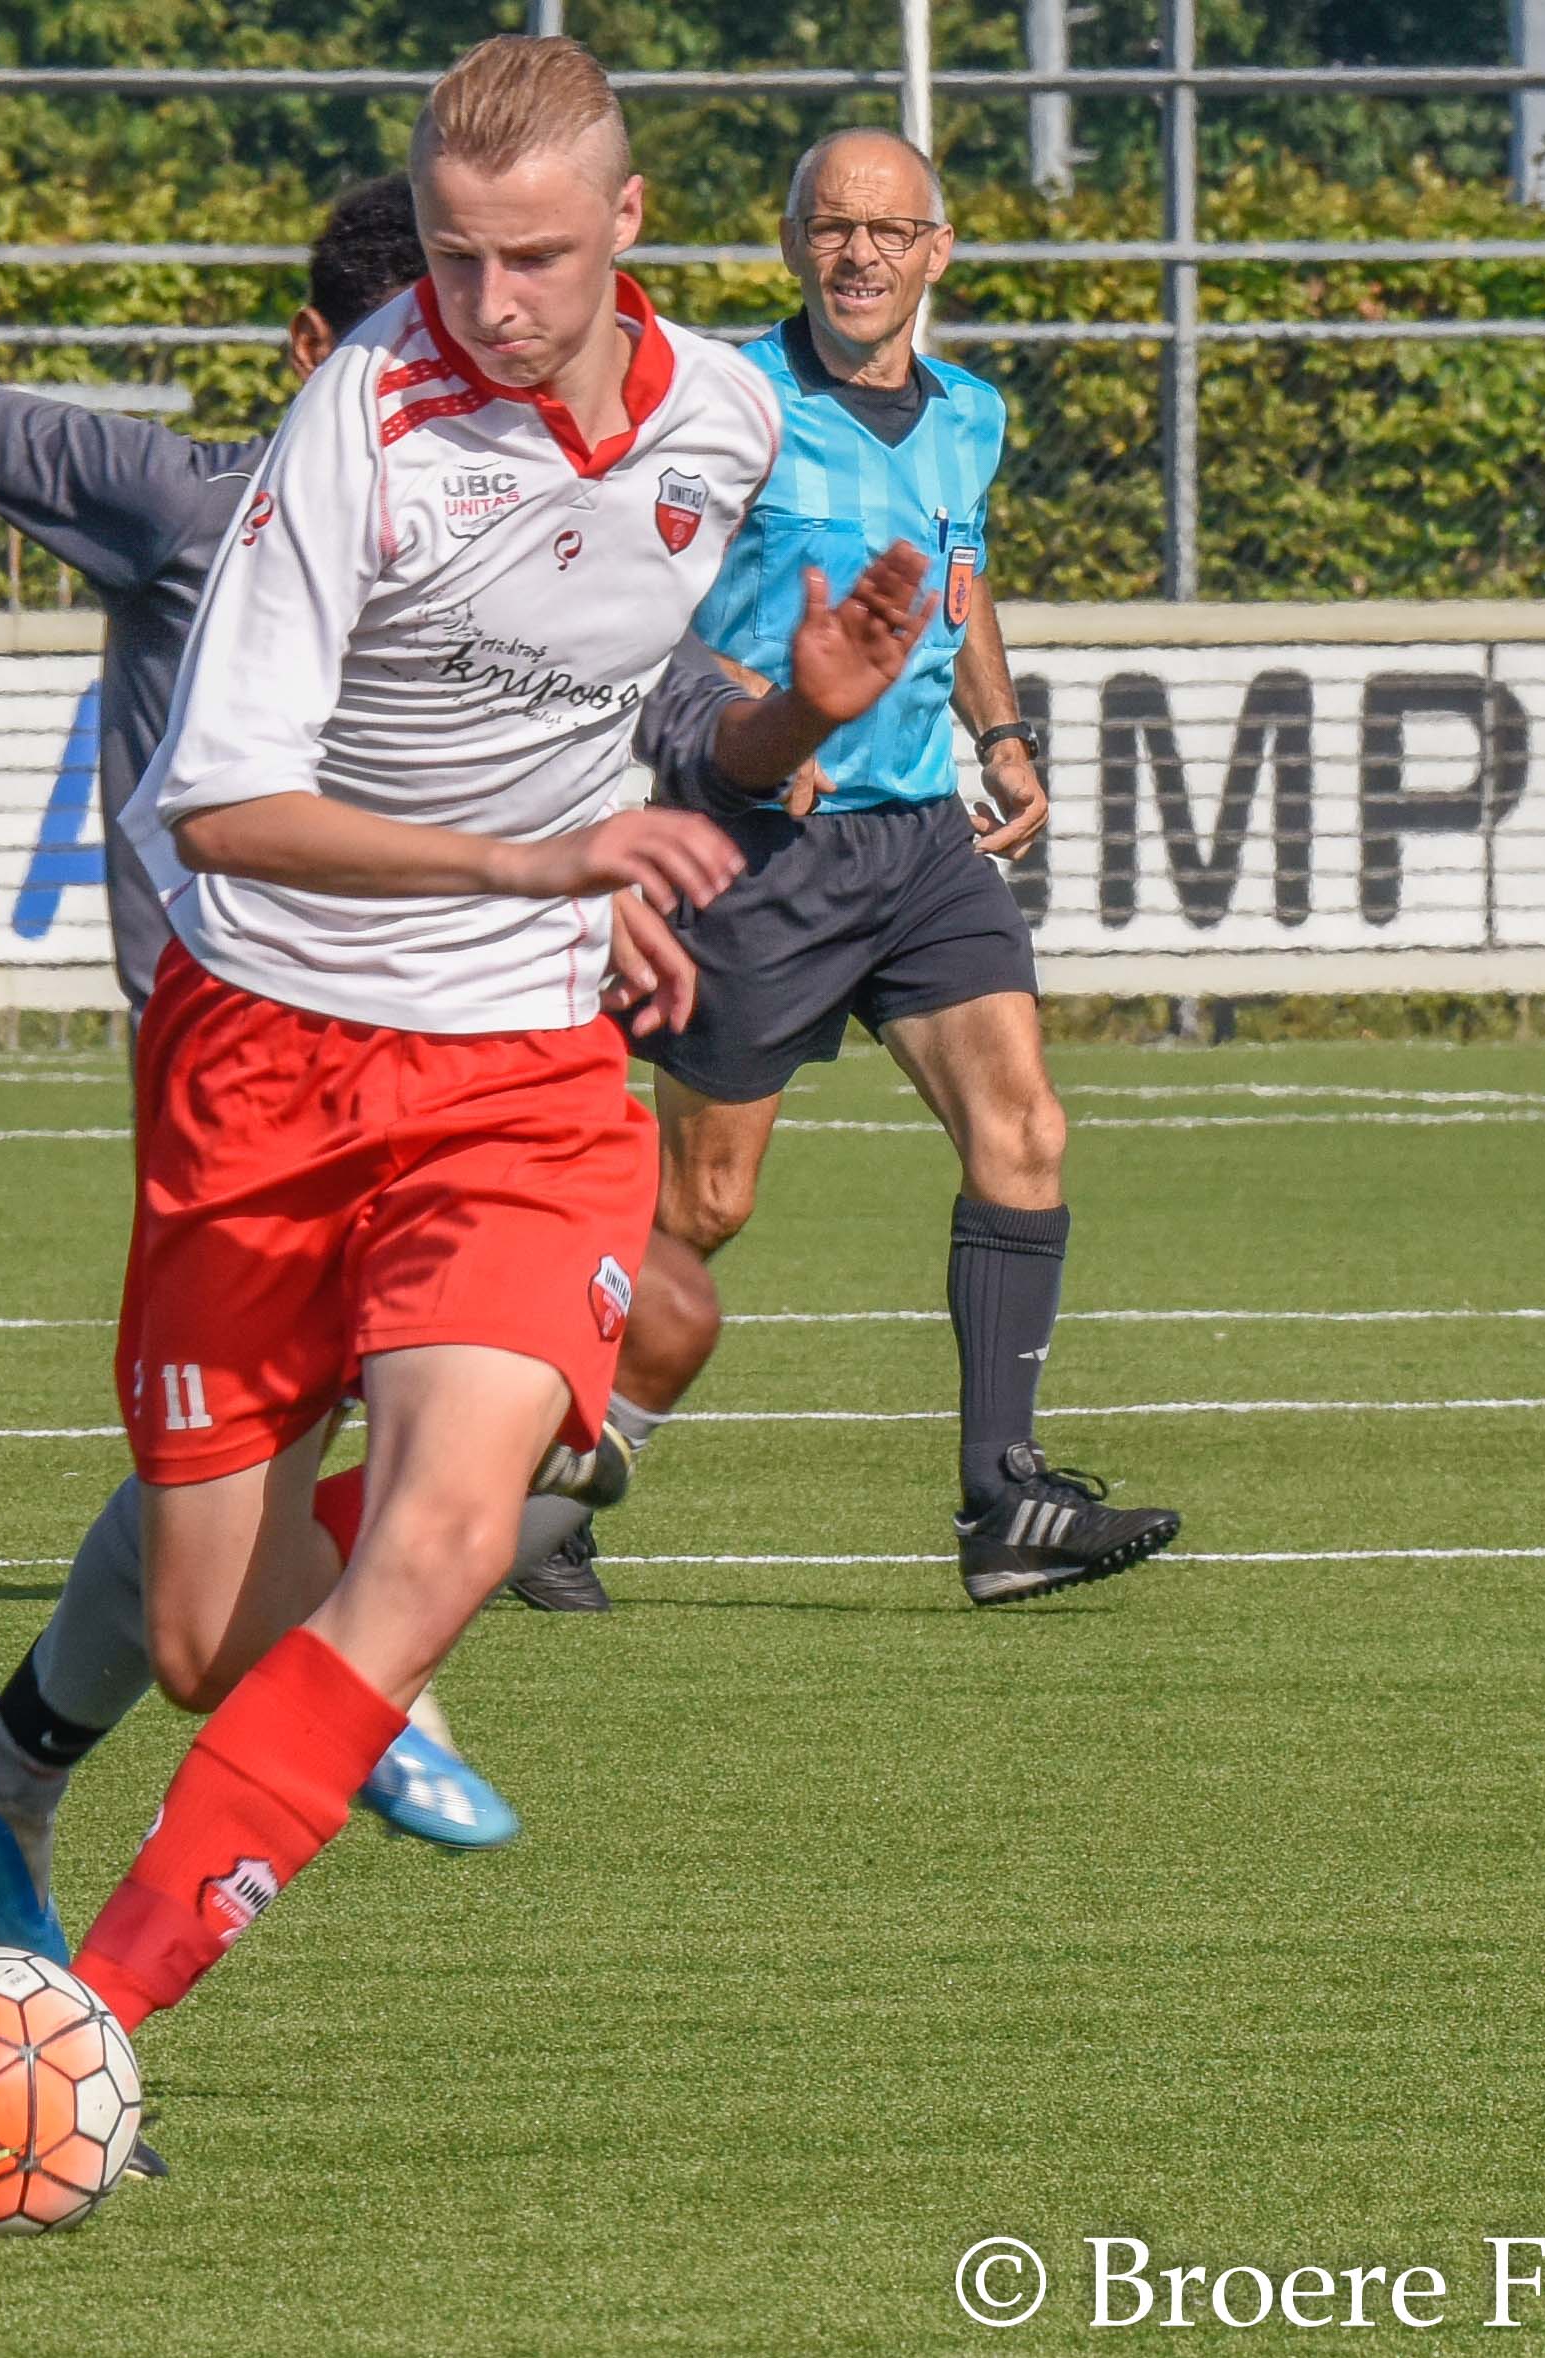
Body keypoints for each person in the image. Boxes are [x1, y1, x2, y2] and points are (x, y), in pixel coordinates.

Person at [50, 36, 929, 2048]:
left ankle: (88, 2015)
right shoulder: (354, 429)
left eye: (531, 258)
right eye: (452, 258)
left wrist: (796, 713)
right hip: (266, 1045)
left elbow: (635, 705)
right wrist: (544, 864)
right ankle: (80, 1744)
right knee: (201, 1638)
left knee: (447, 1530)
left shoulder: (724, 415)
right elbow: (221, 811)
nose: (487, 301)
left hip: (520, 1066)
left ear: (628, 224)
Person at [595, 125, 1181, 1605]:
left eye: (889, 230)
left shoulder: (972, 411)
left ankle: (1003, 1504)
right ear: (793, 242)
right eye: (832, 227)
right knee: (705, 1204)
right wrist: (750, 711)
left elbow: (959, 576)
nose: (859, 254)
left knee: (1023, 1127)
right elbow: (629, 597)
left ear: (937, 250)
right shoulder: (722, 401)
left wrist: (1002, 734)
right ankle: (533, 1470)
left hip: (921, 841)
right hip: (758, 847)